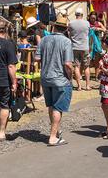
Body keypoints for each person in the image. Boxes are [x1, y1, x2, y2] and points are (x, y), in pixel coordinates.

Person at [36, 18, 74, 146]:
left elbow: (37, 58)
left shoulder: (44, 40)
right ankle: (53, 137)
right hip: (60, 79)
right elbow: (68, 64)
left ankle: (56, 132)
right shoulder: (66, 42)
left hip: (46, 77)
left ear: (54, 27)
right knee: (58, 108)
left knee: (52, 106)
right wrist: (71, 76)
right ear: (65, 29)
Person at [69, 8, 91, 91]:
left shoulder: (71, 23)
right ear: (82, 15)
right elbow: (88, 33)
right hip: (85, 47)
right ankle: (88, 86)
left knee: (77, 67)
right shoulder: (87, 23)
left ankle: (79, 86)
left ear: (75, 15)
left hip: (74, 47)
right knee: (86, 66)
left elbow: (69, 34)